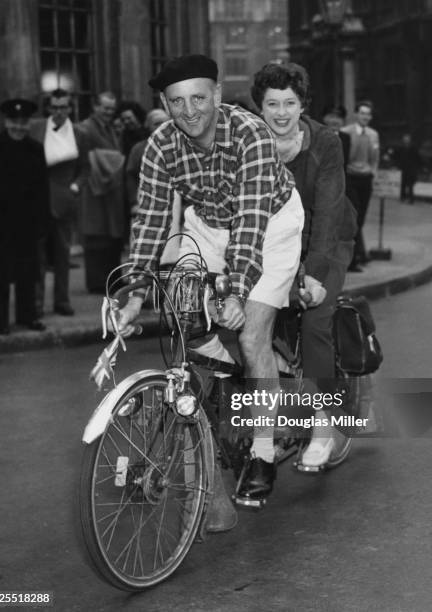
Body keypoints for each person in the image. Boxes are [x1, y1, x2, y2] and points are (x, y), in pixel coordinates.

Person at [117, 54, 304, 505]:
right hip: (207, 227)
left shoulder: (251, 132)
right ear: (165, 102)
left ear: (217, 95)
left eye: (198, 97)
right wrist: (135, 292)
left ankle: (261, 452)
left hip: (272, 225)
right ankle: (234, 379)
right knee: (185, 321)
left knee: (252, 336)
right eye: (177, 101)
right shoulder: (161, 144)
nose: (189, 111)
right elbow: (152, 218)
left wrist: (237, 291)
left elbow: (252, 217)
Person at [251, 62, 357, 469]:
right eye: (272, 103)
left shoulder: (325, 141)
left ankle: (323, 426)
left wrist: (313, 274)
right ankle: (270, 423)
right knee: (255, 324)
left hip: (327, 241)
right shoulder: (250, 141)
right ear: (259, 107)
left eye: (290, 103)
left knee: (314, 322)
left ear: (302, 105)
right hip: (276, 242)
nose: (281, 112)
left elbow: (329, 211)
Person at [0, 99, 49, 333]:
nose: (19, 127)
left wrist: (43, 221)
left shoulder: (35, 148)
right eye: (14, 122)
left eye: (23, 122)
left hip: (28, 222)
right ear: (6, 121)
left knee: (28, 272)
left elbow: (43, 188)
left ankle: (27, 316)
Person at [30, 88, 89, 316]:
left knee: (63, 255)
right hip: (37, 201)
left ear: (70, 108)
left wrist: (74, 188)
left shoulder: (79, 133)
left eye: (63, 106)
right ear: (48, 107)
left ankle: (62, 302)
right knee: (38, 256)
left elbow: (85, 168)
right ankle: (36, 304)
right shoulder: (36, 128)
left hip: (64, 201)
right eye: (54, 107)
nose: (59, 111)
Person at [78, 92, 125, 293]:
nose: (108, 112)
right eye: (105, 108)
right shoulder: (84, 129)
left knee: (112, 237)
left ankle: (113, 279)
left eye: (112, 109)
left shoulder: (110, 128)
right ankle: (97, 282)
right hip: (94, 189)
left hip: (111, 189)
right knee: (97, 237)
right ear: (95, 106)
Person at [342, 101, 380, 272]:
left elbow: (375, 158)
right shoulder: (346, 132)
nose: (365, 117)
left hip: (365, 179)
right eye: (362, 113)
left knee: (361, 218)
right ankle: (354, 257)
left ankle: (359, 253)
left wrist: (372, 172)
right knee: (354, 217)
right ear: (356, 114)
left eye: (368, 114)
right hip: (350, 178)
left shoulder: (373, 135)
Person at [322, 104, 351, 170]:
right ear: (324, 119)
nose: (335, 121)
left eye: (339, 117)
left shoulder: (346, 137)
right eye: (332, 117)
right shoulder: (318, 136)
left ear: (343, 121)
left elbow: (346, 162)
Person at [394, 133, 421, 204]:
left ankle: (411, 198)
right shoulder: (401, 148)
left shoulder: (413, 148)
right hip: (403, 168)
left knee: (410, 184)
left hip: (411, 168)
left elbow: (417, 157)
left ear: (410, 140)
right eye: (405, 139)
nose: (406, 140)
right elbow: (398, 157)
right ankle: (403, 197)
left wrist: (418, 166)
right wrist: (397, 166)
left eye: (407, 139)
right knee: (402, 184)